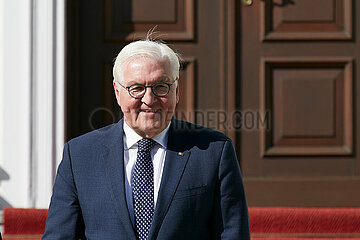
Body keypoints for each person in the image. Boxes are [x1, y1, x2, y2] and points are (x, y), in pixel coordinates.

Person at [42, 39, 250, 240]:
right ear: (117, 91)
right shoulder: (80, 154)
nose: (149, 100)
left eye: (161, 87)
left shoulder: (212, 151)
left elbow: (231, 234)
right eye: (137, 88)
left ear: (176, 90)